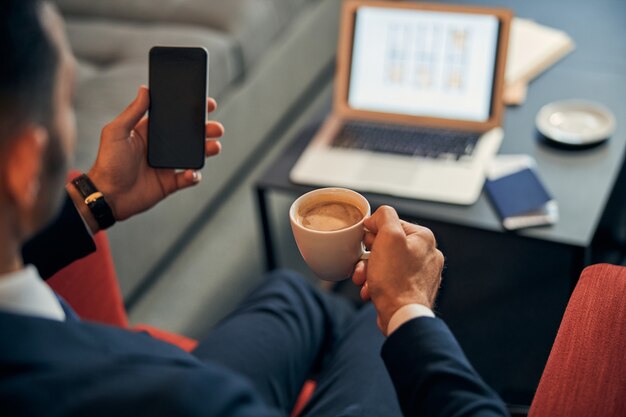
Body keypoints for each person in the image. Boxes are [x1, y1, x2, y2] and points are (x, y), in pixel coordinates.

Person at [0, 1, 509, 416]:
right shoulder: (185, 399)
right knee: (371, 332)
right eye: (66, 103)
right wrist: (409, 309)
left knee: (292, 292)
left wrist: (97, 200)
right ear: (25, 164)